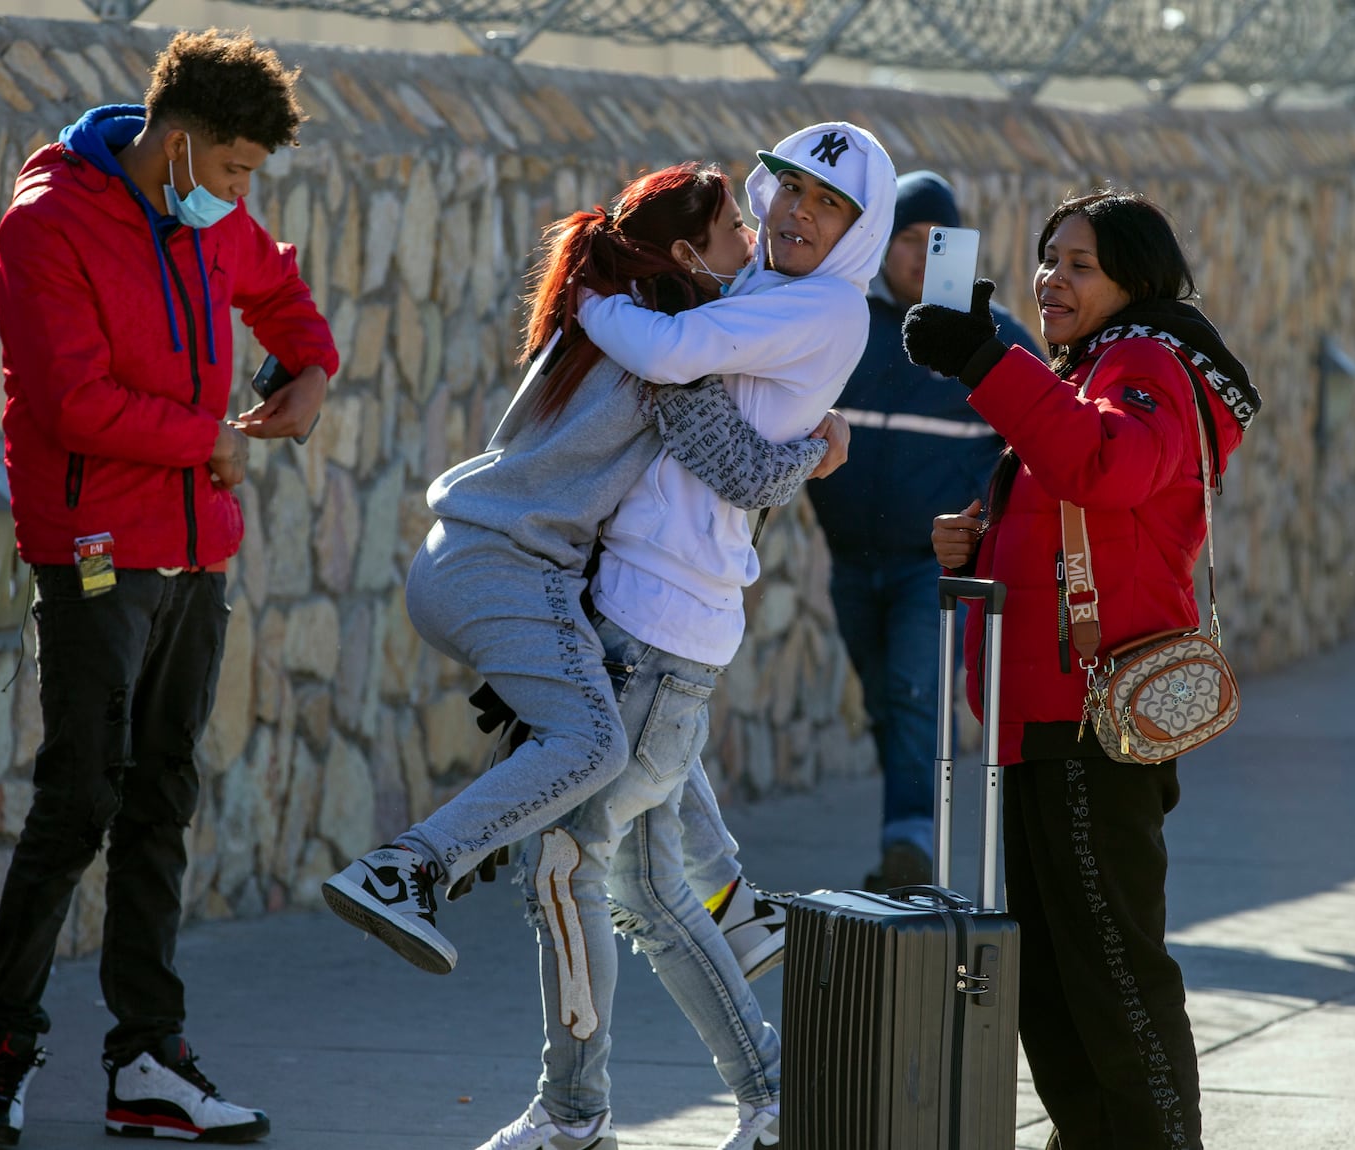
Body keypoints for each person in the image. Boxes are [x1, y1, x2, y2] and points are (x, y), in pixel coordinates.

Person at [470, 120, 896, 1150]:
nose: (798, 213)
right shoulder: (762, 289)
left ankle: (574, 1118)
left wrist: (585, 291)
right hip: (640, 620)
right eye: (789, 188)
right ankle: (769, 1095)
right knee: (650, 890)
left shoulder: (823, 306)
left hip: (663, 634)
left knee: (565, 870)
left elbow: (666, 352)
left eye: (827, 205)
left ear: (857, 231)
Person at [0, 30, 337, 1146]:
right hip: (92, 553)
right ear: (176, 143)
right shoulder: (48, 222)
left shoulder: (208, 218)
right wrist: (206, 443)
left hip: (195, 554)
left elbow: (283, 293)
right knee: (82, 797)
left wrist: (310, 372)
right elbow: (68, 401)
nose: (241, 194)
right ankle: (2, 1047)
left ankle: (147, 1064)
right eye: (233, 171)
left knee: (163, 796)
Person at [321, 161, 848, 978]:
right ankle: (405, 870)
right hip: (506, 571)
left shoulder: (612, 320)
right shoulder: (662, 352)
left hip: (475, 560)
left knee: (646, 723)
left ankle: (735, 907)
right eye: (733, 232)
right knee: (599, 743)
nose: (751, 242)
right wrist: (820, 447)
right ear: (685, 252)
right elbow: (743, 471)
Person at [906, 189, 1260, 1150]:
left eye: (1080, 265)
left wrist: (986, 358)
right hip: (1045, 718)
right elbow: (1076, 529)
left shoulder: (1146, 360)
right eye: (1047, 259)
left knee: (1108, 974)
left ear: (1134, 281)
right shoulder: (1092, 364)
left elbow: (1106, 468)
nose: (1052, 280)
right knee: (1053, 985)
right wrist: (970, 554)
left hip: (1090, 725)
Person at [804, 170, 1041, 891]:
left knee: (911, 691)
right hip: (850, 561)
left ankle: (910, 846)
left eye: (935, 241)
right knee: (885, 698)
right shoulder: (841, 323)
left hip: (928, 568)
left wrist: (979, 513)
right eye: (906, 238)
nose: (918, 254)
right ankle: (907, 831)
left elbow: (1037, 430)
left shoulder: (985, 338)